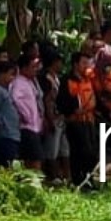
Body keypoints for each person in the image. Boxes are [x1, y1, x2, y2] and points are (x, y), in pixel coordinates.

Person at [63, 55, 100, 188]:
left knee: (92, 152)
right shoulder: (67, 80)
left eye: (87, 63)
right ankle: (78, 181)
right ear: (75, 64)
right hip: (75, 122)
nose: (86, 66)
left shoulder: (88, 80)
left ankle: (89, 179)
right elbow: (62, 103)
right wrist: (73, 111)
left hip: (89, 121)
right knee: (80, 152)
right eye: (83, 63)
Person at [38, 49, 70, 185]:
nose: (61, 65)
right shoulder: (46, 79)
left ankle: (66, 175)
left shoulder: (57, 77)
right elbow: (47, 100)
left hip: (60, 117)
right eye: (59, 62)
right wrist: (50, 119)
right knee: (52, 148)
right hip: (53, 118)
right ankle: (53, 176)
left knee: (64, 147)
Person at [12, 56, 45, 171]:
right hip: (27, 126)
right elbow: (15, 99)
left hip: (34, 126)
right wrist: (26, 116)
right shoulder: (19, 82)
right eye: (33, 67)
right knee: (35, 158)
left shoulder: (30, 82)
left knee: (34, 157)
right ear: (24, 68)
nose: (36, 69)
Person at [0, 60, 22, 168]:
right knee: (6, 165)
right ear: (2, 74)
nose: (13, 78)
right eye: (11, 74)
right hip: (4, 135)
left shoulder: (6, 91)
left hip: (12, 134)